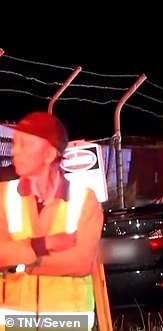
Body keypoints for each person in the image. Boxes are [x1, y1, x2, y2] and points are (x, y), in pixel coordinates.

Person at [0, 111, 104, 329]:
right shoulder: (3, 195)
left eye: (24, 144)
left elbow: (80, 262)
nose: (14, 150)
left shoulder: (83, 199)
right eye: (15, 143)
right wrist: (46, 244)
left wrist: (19, 263)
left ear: (49, 154)